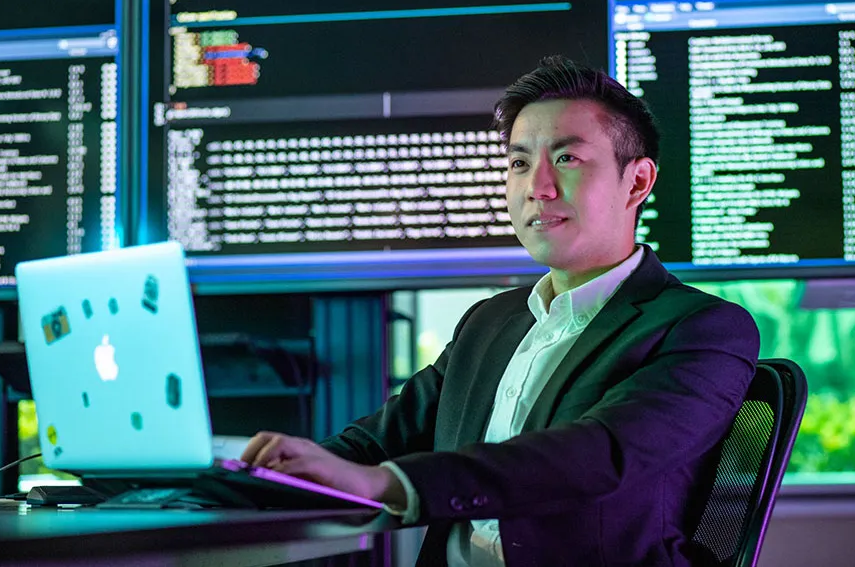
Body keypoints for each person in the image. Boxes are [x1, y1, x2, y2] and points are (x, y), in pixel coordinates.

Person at [241, 56, 760, 567]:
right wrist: (260, 473)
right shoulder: (490, 322)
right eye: (518, 163)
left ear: (638, 182)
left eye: (567, 158)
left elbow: (596, 457)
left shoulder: (700, 328)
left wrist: (387, 484)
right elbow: (377, 441)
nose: (537, 187)